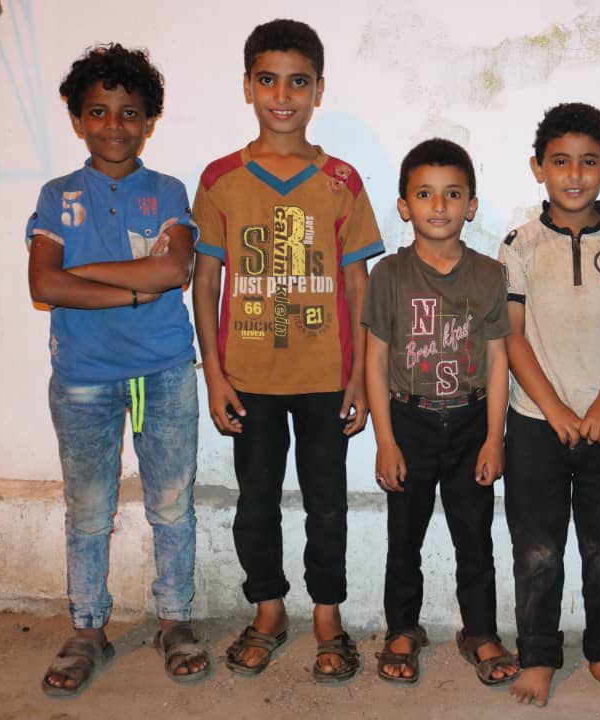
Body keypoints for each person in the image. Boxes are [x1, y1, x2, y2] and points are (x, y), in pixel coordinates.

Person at [191, 18, 383, 682]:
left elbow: (358, 284)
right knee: (255, 503)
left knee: (328, 503)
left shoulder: (341, 180)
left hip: (327, 376)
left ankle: (328, 615)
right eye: (268, 80)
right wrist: (214, 375)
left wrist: (360, 375)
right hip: (247, 377)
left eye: (297, 82)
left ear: (318, 90)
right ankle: (268, 609)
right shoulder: (220, 179)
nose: (282, 96)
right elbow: (206, 281)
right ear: (248, 86)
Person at [27, 43, 209, 695]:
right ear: (78, 119)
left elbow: (174, 269)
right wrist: (134, 290)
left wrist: (82, 273)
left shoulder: (167, 191)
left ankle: (175, 620)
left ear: (149, 121)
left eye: (129, 112)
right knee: (88, 509)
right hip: (83, 374)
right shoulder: (58, 196)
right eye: (98, 111)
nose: (114, 125)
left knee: (172, 504)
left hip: (164, 369)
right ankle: (87, 628)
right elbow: (44, 284)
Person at [499, 102, 600, 709]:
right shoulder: (520, 245)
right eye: (560, 161)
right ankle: (538, 656)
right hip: (537, 423)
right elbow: (512, 337)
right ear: (538, 168)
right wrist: (557, 410)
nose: (575, 174)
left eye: (589, 162)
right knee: (537, 550)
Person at [362, 139, 519, 686]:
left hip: (471, 422)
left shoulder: (489, 274)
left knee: (474, 539)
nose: (439, 205)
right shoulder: (388, 275)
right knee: (403, 540)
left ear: (470, 205)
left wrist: (494, 438)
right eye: (424, 193)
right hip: (409, 422)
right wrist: (385, 441)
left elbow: (498, 361)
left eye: (452, 194)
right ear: (404, 205)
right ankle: (403, 629)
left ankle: (480, 631)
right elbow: (375, 360)